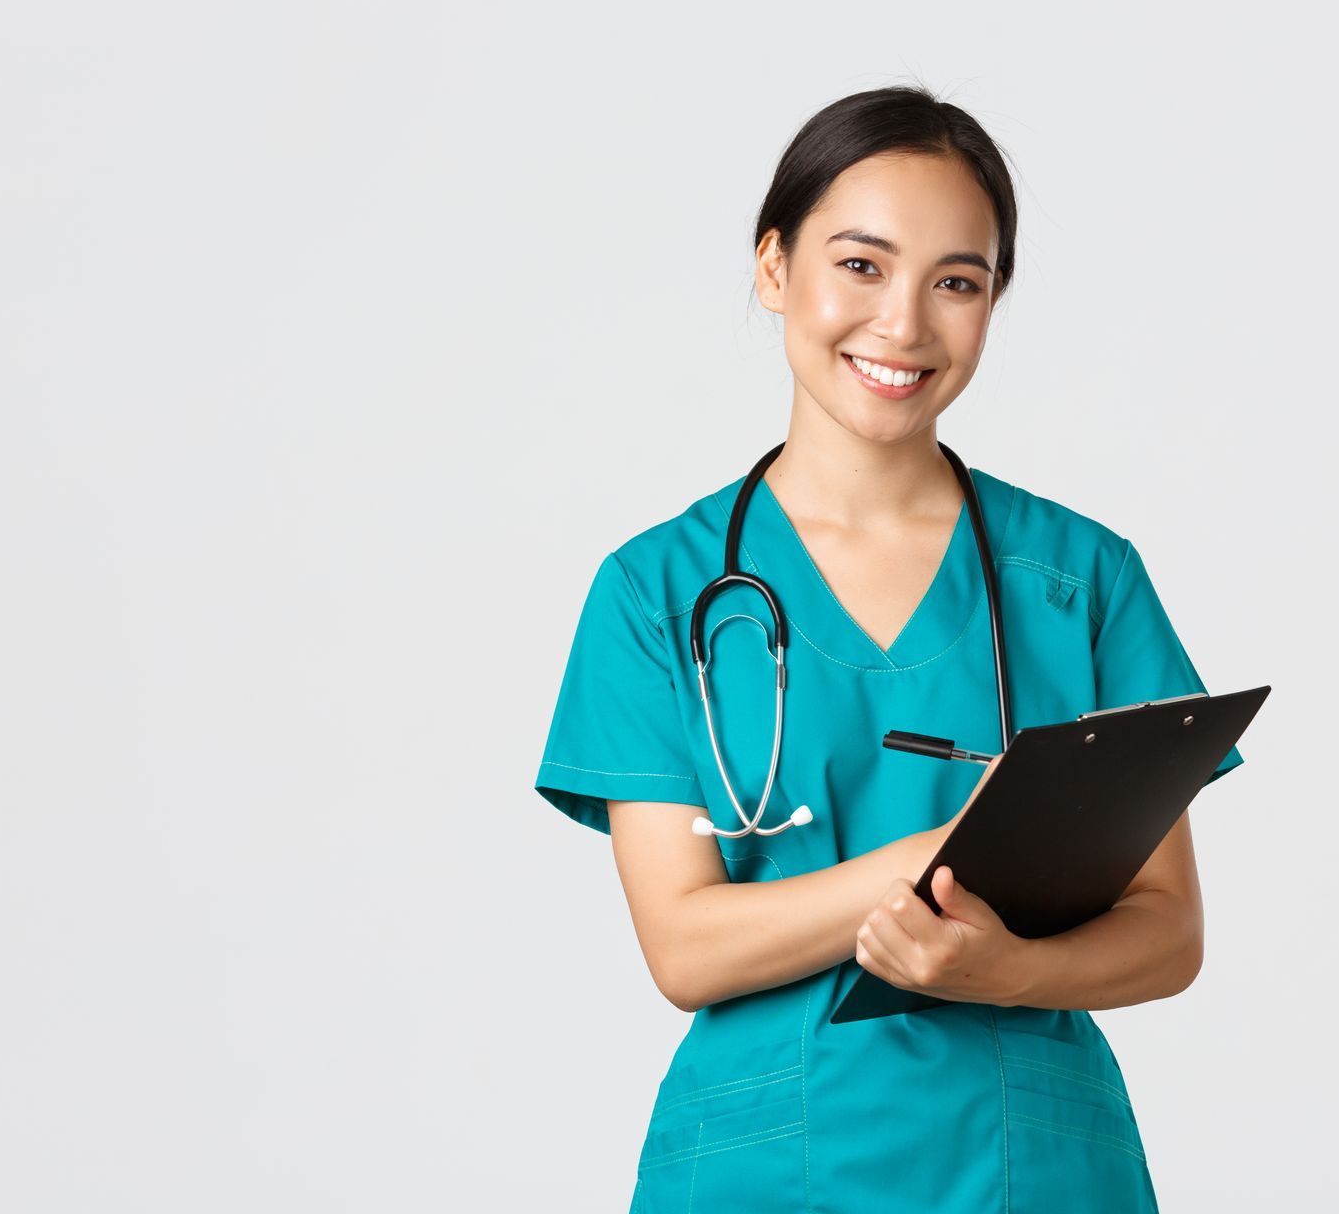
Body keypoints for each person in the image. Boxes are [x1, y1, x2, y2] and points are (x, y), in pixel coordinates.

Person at [533, 85, 1244, 1213]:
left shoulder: (1080, 580)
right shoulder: (658, 592)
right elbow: (685, 947)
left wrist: (1012, 970)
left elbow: (1168, 932)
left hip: (1033, 1167)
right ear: (774, 267)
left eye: (957, 282)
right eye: (861, 265)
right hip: (765, 1164)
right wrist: (937, 852)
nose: (905, 324)